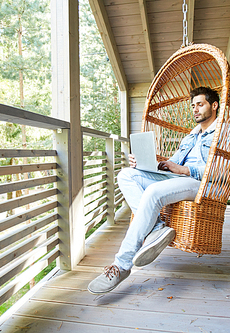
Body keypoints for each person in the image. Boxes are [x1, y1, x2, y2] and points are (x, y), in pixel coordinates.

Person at [88, 86, 220, 294]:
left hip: (199, 184)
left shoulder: (223, 133)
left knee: (153, 191)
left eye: (200, 104)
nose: (195, 109)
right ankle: (157, 228)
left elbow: (220, 171)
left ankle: (121, 266)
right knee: (126, 175)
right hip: (177, 178)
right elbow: (172, 163)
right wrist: (149, 164)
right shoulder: (190, 137)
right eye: (193, 105)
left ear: (214, 105)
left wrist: (184, 169)